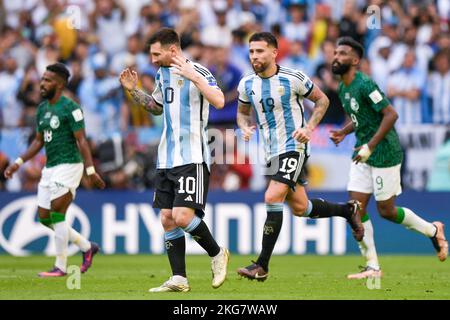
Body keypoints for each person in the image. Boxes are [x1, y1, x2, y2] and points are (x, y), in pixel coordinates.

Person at [235, 32, 364, 282]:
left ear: (274, 53)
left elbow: (322, 100)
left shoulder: (293, 77)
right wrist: (243, 125)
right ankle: (347, 210)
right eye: (251, 52)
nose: (255, 56)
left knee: (272, 196)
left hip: (294, 147)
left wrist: (309, 128)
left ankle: (261, 265)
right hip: (271, 152)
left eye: (260, 51)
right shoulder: (246, 84)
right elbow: (242, 112)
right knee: (301, 208)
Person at [119, 28, 229, 292]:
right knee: (167, 218)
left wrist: (194, 77)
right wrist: (134, 91)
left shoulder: (199, 71)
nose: (153, 59)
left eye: (156, 54)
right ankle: (179, 278)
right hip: (166, 157)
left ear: (173, 50)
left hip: (192, 156)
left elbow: (220, 101)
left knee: (181, 216)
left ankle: (217, 253)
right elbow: (157, 107)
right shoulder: (161, 74)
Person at [329, 37, 448, 279]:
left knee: (386, 211)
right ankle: (373, 266)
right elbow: (361, 116)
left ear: (355, 60)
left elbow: (390, 114)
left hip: (383, 153)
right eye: (335, 53)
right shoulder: (343, 87)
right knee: (355, 208)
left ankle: (433, 230)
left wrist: (371, 146)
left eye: (342, 53)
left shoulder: (365, 84)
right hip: (363, 154)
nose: (336, 57)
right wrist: (344, 131)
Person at [4, 63, 106, 277]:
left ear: (59, 85)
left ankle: (60, 267)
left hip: (70, 165)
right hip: (50, 167)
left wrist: (90, 171)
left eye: (48, 80)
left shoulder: (71, 108)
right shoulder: (42, 109)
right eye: (42, 79)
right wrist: (18, 162)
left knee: (57, 214)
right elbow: (39, 141)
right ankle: (87, 247)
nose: (42, 83)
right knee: (44, 217)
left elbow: (83, 142)